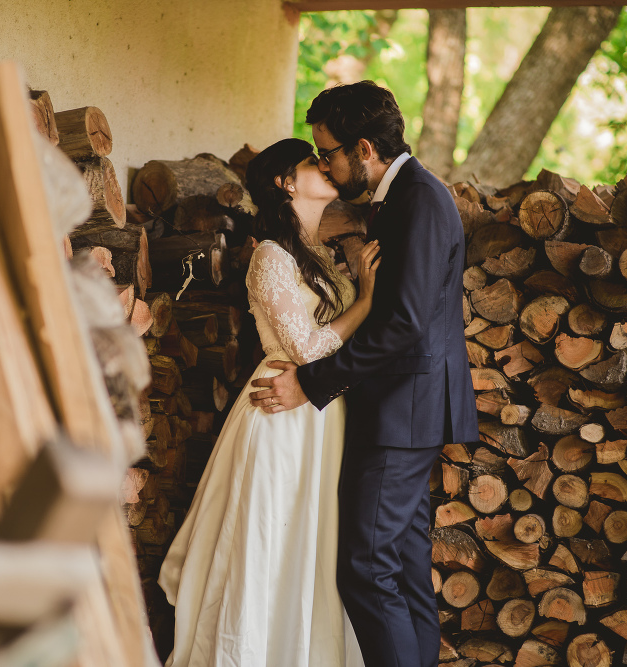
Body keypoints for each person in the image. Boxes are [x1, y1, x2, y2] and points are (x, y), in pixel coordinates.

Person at [249, 81, 478, 667]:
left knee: (364, 571)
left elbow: (403, 322)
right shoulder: (402, 198)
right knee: (398, 569)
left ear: (365, 150)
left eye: (328, 153)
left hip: (402, 411)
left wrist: (311, 383)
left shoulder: (420, 201)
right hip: (400, 407)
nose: (323, 163)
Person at [158, 138, 380, 667]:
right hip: (282, 414)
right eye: (312, 162)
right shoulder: (270, 257)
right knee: (270, 537)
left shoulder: (323, 256)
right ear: (284, 183)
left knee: (311, 543)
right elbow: (305, 347)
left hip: (325, 415)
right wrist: (367, 302)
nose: (325, 166)